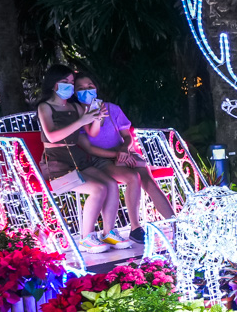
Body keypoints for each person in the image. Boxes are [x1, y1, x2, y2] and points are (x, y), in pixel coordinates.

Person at [34, 65, 131, 253]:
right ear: (53, 84)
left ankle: (108, 232)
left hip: (77, 158)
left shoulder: (75, 107)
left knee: (111, 184)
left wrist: (96, 116)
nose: (69, 86)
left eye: (71, 83)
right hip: (56, 162)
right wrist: (81, 121)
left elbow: (92, 132)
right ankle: (86, 238)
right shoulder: (44, 107)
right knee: (98, 189)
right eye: (65, 82)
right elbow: (52, 136)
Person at [73, 72, 176, 242]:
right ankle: (135, 227)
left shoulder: (112, 109)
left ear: (96, 88)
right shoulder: (78, 116)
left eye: (90, 86)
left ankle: (175, 224)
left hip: (123, 152)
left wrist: (123, 150)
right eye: (81, 89)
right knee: (133, 177)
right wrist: (117, 155)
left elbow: (127, 136)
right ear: (75, 93)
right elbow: (89, 149)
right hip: (101, 159)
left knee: (147, 179)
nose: (87, 91)